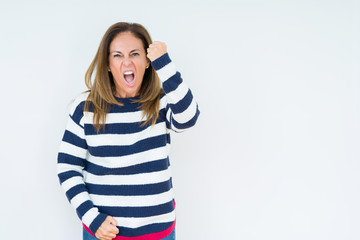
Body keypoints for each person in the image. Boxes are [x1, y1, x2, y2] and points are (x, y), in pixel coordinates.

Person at [57, 22, 200, 240]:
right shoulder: (85, 107)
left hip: (158, 232)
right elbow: (68, 167)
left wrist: (165, 63)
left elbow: (189, 117)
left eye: (135, 54)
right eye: (117, 55)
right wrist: (92, 219)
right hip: (105, 234)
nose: (127, 61)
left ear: (147, 62)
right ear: (107, 64)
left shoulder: (161, 102)